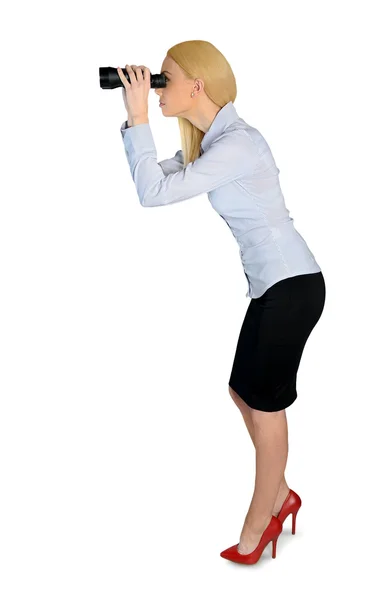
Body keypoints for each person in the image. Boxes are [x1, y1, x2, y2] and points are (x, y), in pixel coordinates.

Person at [119, 40, 326, 565]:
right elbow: (152, 182)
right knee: (242, 391)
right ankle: (279, 494)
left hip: (292, 285)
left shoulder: (238, 144)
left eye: (165, 78)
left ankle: (263, 518)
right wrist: (136, 123)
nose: (157, 88)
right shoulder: (214, 144)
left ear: (198, 85)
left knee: (265, 404)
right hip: (274, 286)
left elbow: (155, 196)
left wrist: (140, 114)